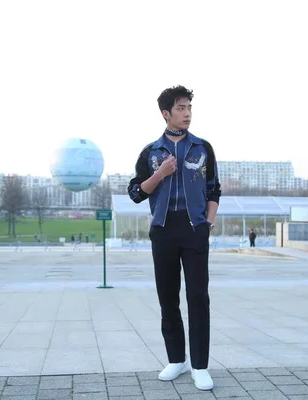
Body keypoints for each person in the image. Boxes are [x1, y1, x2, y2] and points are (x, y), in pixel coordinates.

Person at [127, 85, 221, 390]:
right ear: (166, 114)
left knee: (198, 298)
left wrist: (207, 223)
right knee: (168, 297)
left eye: (189, 108)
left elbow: (213, 189)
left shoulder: (202, 148)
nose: (187, 113)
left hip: (195, 228)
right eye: (181, 108)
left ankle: (200, 366)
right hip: (164, 230)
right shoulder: (150, 152)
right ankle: (176, 360)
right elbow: (136, 193)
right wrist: (160, 174)